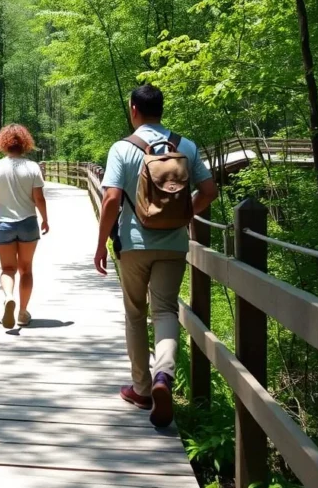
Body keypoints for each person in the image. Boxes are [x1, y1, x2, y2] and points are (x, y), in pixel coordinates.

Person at [94, 84, 218, 427]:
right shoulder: (186, 146)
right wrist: (184, 215)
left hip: (134, 244)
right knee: (164, 310)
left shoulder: (122, 148)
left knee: (135, 314)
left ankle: (142, 389)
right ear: (161, 109)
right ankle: (164, 375)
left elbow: (110, 200)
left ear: (134, 109)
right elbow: (209, 191)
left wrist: (101, 243)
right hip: (174, 244)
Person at [0, 124, 50, 329]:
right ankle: (22, 312)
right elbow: (39, 198)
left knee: (7, 269)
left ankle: (9, 296)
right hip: (28, 222)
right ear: (25, 142)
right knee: (26, 270)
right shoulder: (32, 167)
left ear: (3, 142)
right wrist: (45, 219)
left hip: (3, 224)